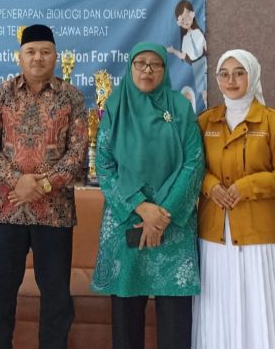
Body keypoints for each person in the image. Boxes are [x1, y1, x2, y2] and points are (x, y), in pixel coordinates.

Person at [0, 24, 88, 349]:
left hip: (54, 213)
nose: (37, 57)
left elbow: (77, 152)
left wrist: (43, 184)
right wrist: (18, 181)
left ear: (56, 56)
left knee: (56, 300)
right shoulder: (1, 95)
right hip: (6, 210)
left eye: (44, 51)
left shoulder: (72, 97)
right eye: (31, 52)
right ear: (19, 57)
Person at [90, 42, 205, 349]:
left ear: (165, 70)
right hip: (127, 219)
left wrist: (163, 213)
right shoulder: (115, 106)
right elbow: (104, 164)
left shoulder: (180, 107)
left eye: (155, 64)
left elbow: (194, 162)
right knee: (126, 313)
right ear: (130, 68)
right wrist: (142, 207)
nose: (147, 70)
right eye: (140, 63)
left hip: (173, 222)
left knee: (175, 314)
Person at [192, 49, 275, 348]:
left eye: (239, 73)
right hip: (214, 233)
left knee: (259, 305)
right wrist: (210, 185)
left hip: (259, 234)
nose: (231, 80)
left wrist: (247, 186)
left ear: (252, 76)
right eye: (224, 74)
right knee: (219, 306)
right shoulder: (206, 121)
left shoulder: (272, 122)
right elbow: (191, 166)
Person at [166, 0, 207, 111]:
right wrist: (173, 51)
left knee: (209, 85)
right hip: (196, 65)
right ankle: (205, 108)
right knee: (203, 91)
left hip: (205, 61)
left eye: (188, 16)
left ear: (192, 14)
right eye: (182, 20)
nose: (186, 21)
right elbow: (183, 55)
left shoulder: (198, 32)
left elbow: (205, 45)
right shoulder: (184, 39)